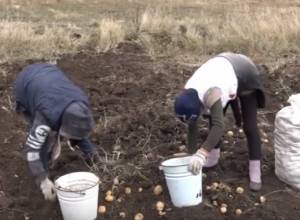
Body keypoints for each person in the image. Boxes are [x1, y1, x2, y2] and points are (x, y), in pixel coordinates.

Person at [174, 52, 266, 191]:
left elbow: (219, 125)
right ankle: (212, 159)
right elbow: (192, 123)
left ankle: (255, 171)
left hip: (244, 72)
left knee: (249, 126)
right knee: (213, 117)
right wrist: (191, 154)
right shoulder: (188, 94)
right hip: (223, 69)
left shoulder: (212, 93)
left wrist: (202, 153)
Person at [14, 63, 99, 201]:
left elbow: (78, 127)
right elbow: (31, 150)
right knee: (44, 141)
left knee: (76, 127)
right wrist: (42, 180)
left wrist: (92, 154)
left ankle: (90, 155)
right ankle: (44, 170)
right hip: (26, 84)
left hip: (49, 75)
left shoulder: (80, 102)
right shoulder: (44, 117)